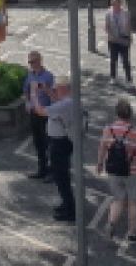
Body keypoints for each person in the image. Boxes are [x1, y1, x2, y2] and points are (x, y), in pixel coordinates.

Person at [98, 97, 136, 241]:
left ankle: (110, 224)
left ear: (117, 113)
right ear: (130, 114)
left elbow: (102, 148)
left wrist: (99, 164)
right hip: (133, 171)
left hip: (113, 169)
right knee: (133, 202)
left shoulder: (108, 130)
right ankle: (132, 232)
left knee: (118, 199)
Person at [31, 79, 81, 221]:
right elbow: (56, 103)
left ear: (63, 89)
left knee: (61, 177)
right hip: (60, 142)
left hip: (60, 143)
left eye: (56, 89)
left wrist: (34, 94)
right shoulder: (67, 102)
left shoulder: (65, 104)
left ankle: (70, 210)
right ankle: (67, 204)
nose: (54, 91)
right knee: (61, 176)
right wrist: (47, 91)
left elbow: (40, 111)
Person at [23, 50, 56, 180]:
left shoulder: (48, 76)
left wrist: (43, 88)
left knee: (48, 142)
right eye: (30, 62)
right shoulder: (30, 75)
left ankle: (53, 171)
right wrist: (27, 102)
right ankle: (42, 169)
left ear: (40, 61)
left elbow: (53, 94)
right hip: (33, 113)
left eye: (33, 61)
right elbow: (26, 89)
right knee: (38, 143)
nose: (31, 64)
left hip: (45, 113)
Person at [106, 0, 135, 85]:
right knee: (113, 60)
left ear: (120, 3)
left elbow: (129, 26)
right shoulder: (108, 13)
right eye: (112, 3)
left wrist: (130, 37)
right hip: (113, 40)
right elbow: (107, 26)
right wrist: (110, 35)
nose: (113, 5)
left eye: (115, 3)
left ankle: (129, 80)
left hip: (123, 39)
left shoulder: (126, 13)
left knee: (125, 61)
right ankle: (113, 77)